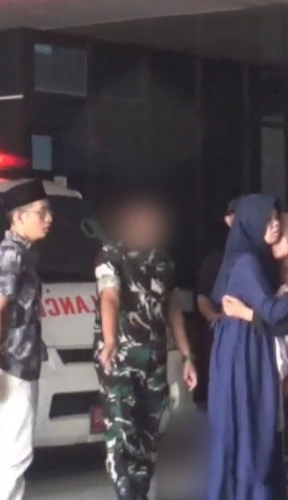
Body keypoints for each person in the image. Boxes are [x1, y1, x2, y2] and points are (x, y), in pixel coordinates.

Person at [206, 195, 288, 500]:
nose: (275, 225)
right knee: (251, 427)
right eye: (268, 220)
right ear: (251, 223)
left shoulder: (259, 260)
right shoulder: (247, 262)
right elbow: (273, 312)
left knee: (254, 428)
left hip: (246, 344)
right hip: (243, 351)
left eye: (277, 219)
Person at [93, 191, 198, 500]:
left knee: (149, 434)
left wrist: (187, 355)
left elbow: (173, 308)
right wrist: (110, 340)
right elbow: (109, 297)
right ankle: (126, 491)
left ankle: (139, 491)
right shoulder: (111, 255)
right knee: (122, 429)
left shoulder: (163, 261)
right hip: (121, 360)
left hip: (154, 361)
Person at [0, 180, 52, 500]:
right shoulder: (11, 255)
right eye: (42, 212)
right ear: (19, 217)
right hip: (10, 368)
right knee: (14, 456)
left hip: (18, 365)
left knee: (14, 454)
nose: (49, 219)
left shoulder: (23, 253)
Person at [193, 197, 240, 407]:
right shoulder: (216, 259)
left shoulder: (259, 256)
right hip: (223, 333)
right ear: (228, 220)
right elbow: (202, 295)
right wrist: (214, 317)